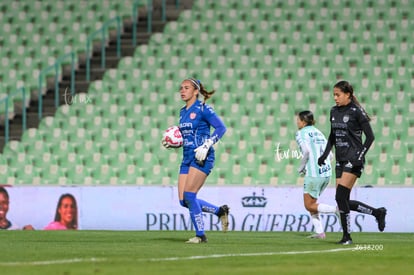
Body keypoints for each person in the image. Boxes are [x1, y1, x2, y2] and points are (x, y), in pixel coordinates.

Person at [318, 80, 387, 245]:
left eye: (338, 94)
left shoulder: (356, 112)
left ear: (347, 94)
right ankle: (377, 212)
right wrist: (325, 154)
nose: (335, 98)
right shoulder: (333, 111)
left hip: (353, 158)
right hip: (340, 159)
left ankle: (347, 237)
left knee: (340, 196)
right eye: (333, 95)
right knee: (343, 200)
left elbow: (370, 137)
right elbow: (332, 135)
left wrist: (360, 155)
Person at [162, 78, 228, 243]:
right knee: (183, 200)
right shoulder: (182, 112)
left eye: (186, 88)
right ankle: (220, 211)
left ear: (196, 91)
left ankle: (200, 236)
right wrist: (174, 142)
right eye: (181, 88)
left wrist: (207, 144)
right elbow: (186, 136)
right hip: (187, 157)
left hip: (202, 157)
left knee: (190, 196)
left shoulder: (204, 109)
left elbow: (221, 128)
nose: (182, 91)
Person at [295, 110, 338, 239]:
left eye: (298, 120)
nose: (297, 122)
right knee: (313, 204)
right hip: (326, 174)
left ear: (303, 121)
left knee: (308, 205)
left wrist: (301, 167)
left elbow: (307, 151)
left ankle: (336, 210)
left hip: (314, 175)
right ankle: (320, 233)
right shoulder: (319, 132)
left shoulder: (301, 133)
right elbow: (330, 155)